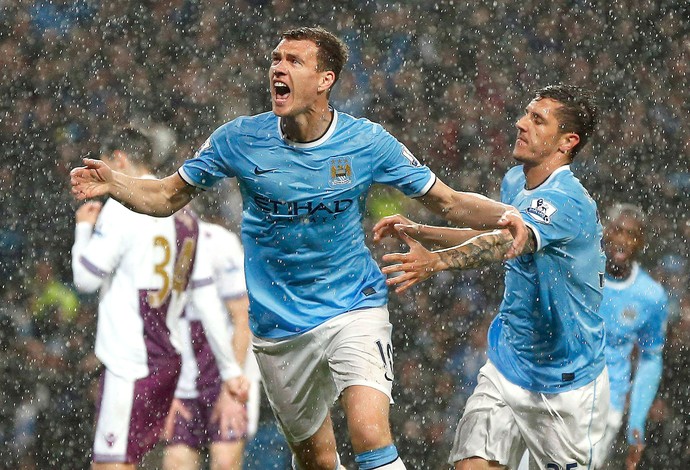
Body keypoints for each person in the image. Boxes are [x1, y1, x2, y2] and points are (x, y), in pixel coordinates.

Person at [70, 27, 527, 470]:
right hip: (279, 325)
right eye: (275, 59)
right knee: (318, 461)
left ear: (325, 80)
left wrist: (511, 215)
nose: (277, 68)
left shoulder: (366, 142)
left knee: (370, 434)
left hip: (353, 306)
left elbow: (447, 202)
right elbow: (166, 196)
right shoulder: (239, 139)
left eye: (293, 61)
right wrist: (115, 184)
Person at [374, 84, 609, 469]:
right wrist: (424, 232)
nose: (521, 124)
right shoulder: (516, 180)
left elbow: (506, 244)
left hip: (566, 382)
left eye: (537, 119)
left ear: (567, 141)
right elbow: (488, 231)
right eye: (525, 114)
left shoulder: (569, 201)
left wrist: (439, 262)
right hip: (508, 361)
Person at [71, 127, 248, 469]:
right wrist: (229, 370)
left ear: (119, 159)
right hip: (167, 360)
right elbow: (208, 302)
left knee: (112, 463)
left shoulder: (122, 208)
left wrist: (83, 230)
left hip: (131, 359)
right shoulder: (186, 220)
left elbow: (86, 279)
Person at [163, 219, 261, 470]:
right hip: (179, 381)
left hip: (225, 375)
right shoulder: (150, 242)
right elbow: (150, 323)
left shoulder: (219, 242)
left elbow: (244, 317)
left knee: (225, 464)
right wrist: (163, 393)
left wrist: (232, 386)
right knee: (175, 463)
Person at [590, 204, 669, 470]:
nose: (623, 241)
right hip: (559, 388)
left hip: (605, 406)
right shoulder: (581, 270)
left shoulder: (651, 296)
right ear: (605, 232)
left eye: (632, 235)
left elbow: (650, 359)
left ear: (642, 242)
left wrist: (636, 423)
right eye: (618, 231)